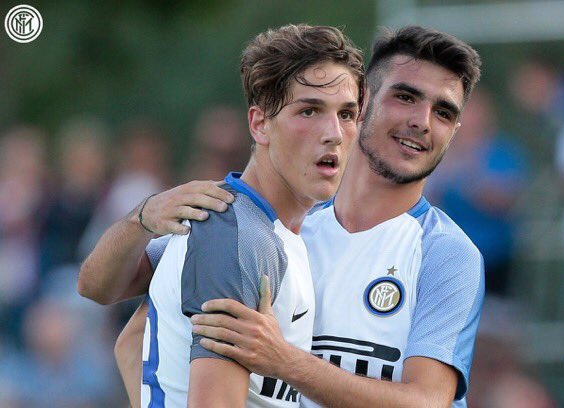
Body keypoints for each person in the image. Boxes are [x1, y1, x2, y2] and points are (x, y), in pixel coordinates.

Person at [81, 25, 484, 408]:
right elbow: (126, 322)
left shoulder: (446, 254)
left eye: (443, 113)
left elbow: (428, 402)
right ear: (366, 104)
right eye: (406, 97)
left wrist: (285, 361)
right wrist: (141, 217)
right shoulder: (256, 226)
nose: (422, 122)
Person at [78, 24, 365, 408]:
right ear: (259, 124)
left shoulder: (263, 226)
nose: (334, 133)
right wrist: (140, 217)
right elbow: (97, 289)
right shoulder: (234, 231)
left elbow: (130, 337)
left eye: (346, 114)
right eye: (309, 111)